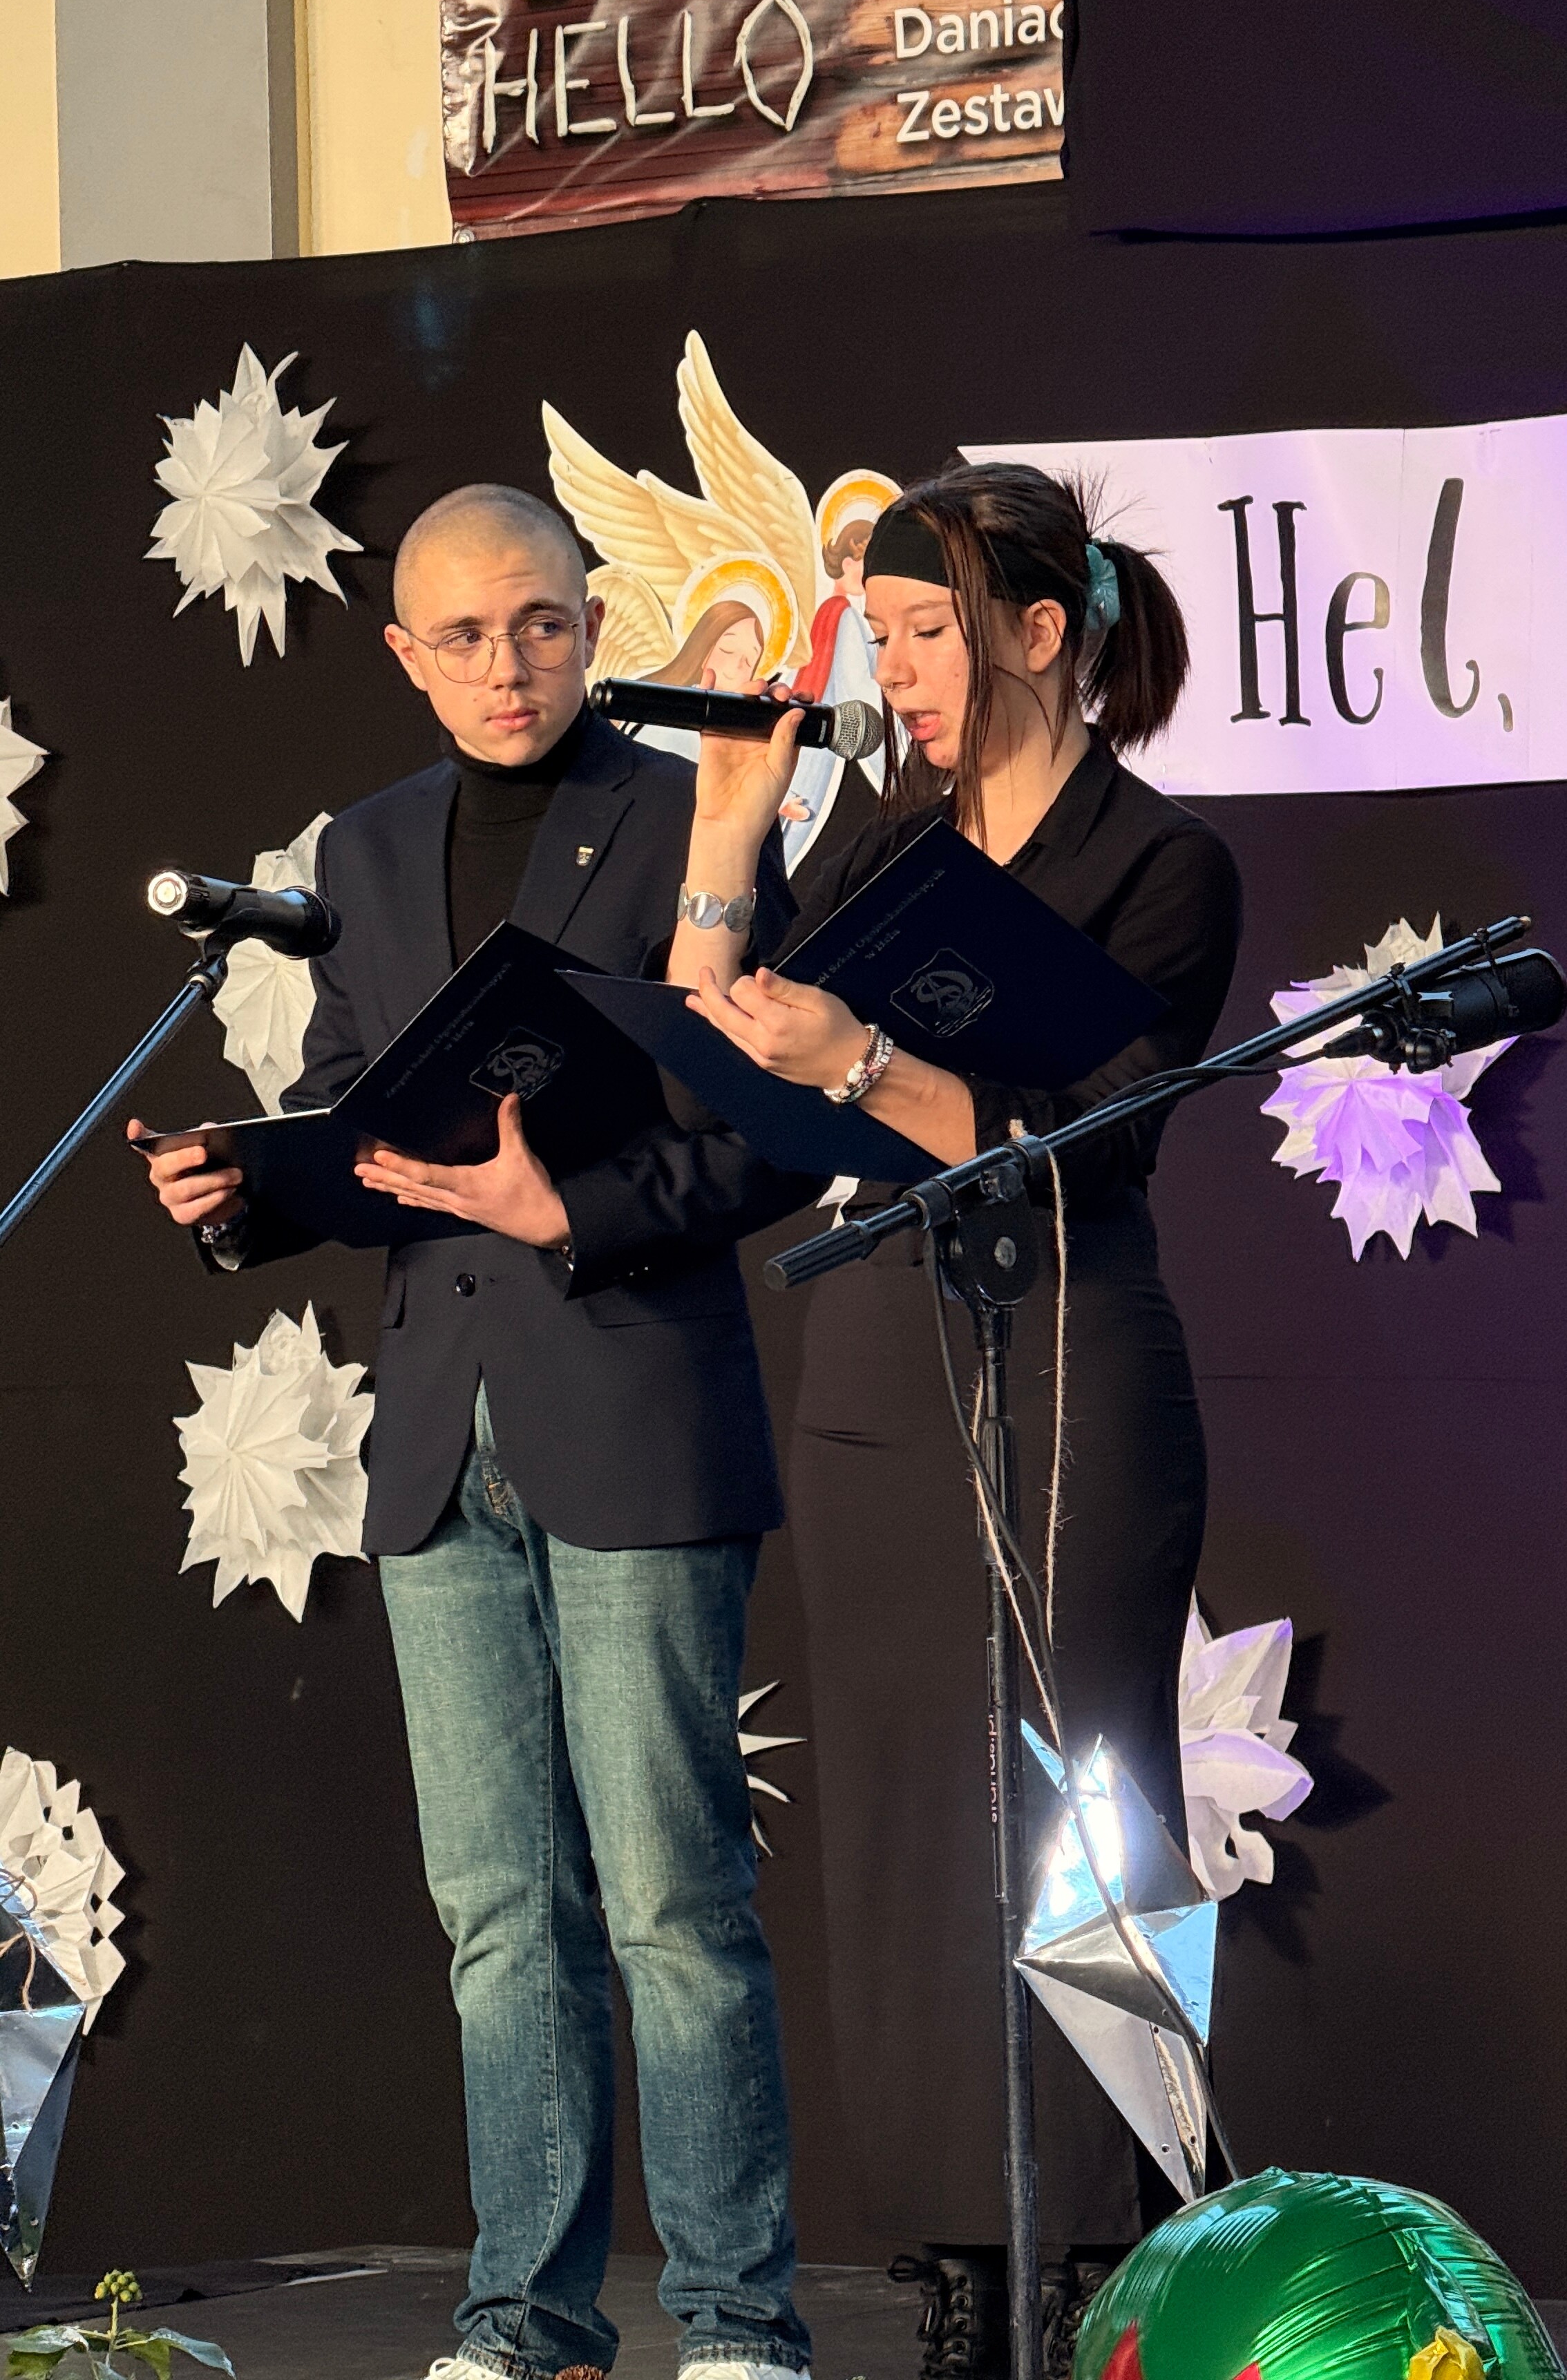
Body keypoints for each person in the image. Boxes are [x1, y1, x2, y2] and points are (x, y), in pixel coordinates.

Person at [131, 484, 815, 2380]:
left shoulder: (694, 812)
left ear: (591, 621)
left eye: (539, 624)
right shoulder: (366, 843)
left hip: (633, 1403)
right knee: (502, 1912)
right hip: (438, 1438)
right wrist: (246, 1197)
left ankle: (739, 2324)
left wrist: (568, 1211)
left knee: (673, 1903)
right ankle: (526, 2319)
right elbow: (363, 1115)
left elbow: (769, 1131)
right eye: (462, 636)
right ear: (404, 655)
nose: (506, 666)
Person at [665, 464, 1243, 2380]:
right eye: (882, 636)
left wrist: (871, 1061)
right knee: (908, 1817)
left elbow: (1099, 1137)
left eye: (929, 633)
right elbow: (731, 1077)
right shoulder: (886, 842)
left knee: (1083, 1799)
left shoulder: (1160, 860)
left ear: (1038, 635)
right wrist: (729, 830)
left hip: (1069, 1344)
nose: (897, 670)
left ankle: (1104, 2260)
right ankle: (956, 2262)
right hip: (879, 1355)